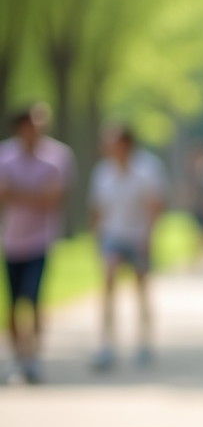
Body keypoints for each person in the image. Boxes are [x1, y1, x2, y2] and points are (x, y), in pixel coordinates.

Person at [0, 107, 72, 383]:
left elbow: (52, 199)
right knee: (13, 304)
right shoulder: (5, 156)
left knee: (34, 300)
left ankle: (34, 359)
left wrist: (16, 193)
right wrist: (35, 195)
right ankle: (18, 358)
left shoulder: (58, 157)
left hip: (40, 241)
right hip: (11, 241)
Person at [89, 126, 168, 370]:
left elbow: (155, 205)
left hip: (137, 237)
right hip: (112, 235)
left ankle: (144, 342)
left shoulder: (146, 169)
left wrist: (149, 237)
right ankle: (106, 344)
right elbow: (97, 208)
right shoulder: (102, 171)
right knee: (109, 286)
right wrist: (96, 237)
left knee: (141, 288)